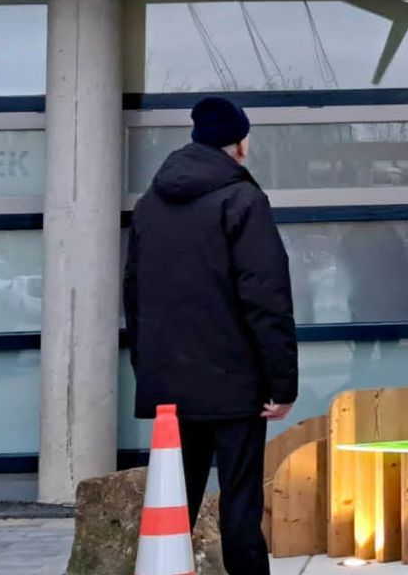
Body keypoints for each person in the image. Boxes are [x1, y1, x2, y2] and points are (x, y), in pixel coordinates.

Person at [125, 96, 298, 575]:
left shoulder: (150, 206)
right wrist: (282, 385)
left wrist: (150, 372)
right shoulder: (242, 200)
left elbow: (134, 297)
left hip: (172, 388)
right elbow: (266, 297)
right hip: (234, 387)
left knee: (173, 502)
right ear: (239, 144)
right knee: (239, 506)